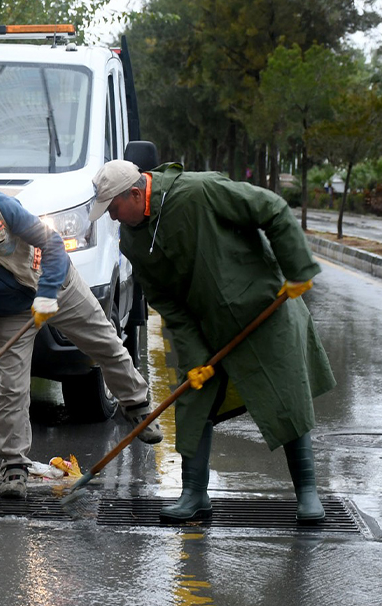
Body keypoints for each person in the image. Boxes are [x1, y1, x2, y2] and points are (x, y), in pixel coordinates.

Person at [91, 159, 336, 523]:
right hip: (205, 325)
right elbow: (168, 303)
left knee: (286, 392)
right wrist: (194, 357)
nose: (111, 217)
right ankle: (194, 493)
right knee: (193, 399)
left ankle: (308, 492)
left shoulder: (199, 192)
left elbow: (271, 208)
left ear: (135, 192)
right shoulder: (132, 240)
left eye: (113, 208)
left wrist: (297, 268)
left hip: (264, 309)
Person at [0, 188, 160, 500]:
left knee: (104, 342)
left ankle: (137, 406)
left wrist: (47, 292)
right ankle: (13, 465)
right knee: (12, 387)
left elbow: (52, 243)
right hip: (9, 313)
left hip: (56, 283)